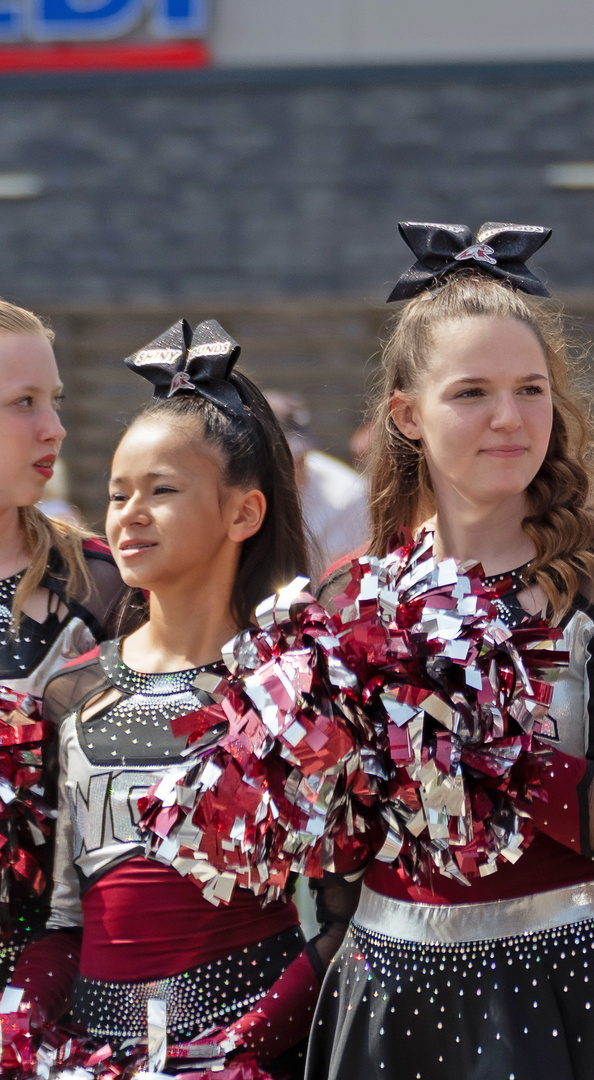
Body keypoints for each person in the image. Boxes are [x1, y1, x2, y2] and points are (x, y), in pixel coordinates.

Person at [305, 222, 594, 1080]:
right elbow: (334, 855)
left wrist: (472, 732)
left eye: (530, 389)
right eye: (472, 393)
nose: (510, 419)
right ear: (407, 415)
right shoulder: (348, 599)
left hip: (571, 980)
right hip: (389, 986)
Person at [7, 320, 343, 1074]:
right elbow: (63, 918)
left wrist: (233, 1048)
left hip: (252, 1053)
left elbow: (345, 921)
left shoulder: (292, 682)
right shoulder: (71, 691)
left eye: (162, 491)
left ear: (243, 513)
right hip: (96, 1056)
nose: (128, 513)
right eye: (118, 492)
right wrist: (21, 1021)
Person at [0, 301, 124, 990]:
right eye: (23, 402)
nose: (55, 428)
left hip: (68, 991)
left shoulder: (105, 584)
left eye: (54, 400)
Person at [263, 391, 368, 574]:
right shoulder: (241, 487)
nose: (296, 468)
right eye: (285, 459)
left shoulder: (349, 494)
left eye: (300, 457)